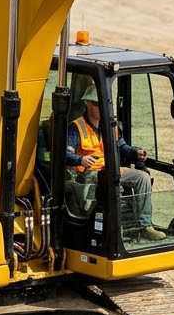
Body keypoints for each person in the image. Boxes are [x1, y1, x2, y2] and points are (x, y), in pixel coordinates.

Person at [65, 85, 164, 241]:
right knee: (112, 183)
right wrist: (81, 159)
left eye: (104, 104)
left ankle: (145, 226)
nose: (101, 108)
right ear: (87, 104)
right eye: (97, 104)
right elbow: (65, 154)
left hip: (110, 170)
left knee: (142, 177)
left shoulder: (111, 126)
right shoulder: (76, 127)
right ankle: (115, 229)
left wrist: (136, 152)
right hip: (87, 175)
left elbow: (122, 147)